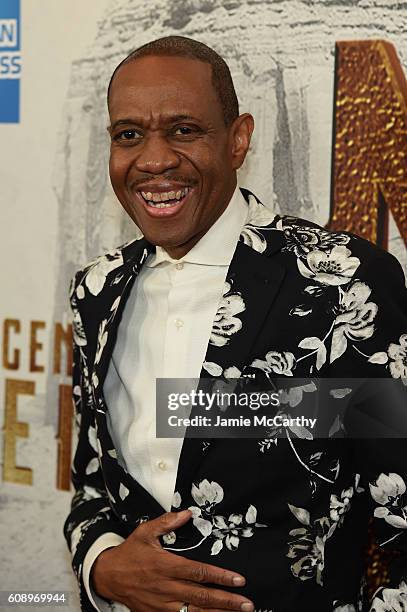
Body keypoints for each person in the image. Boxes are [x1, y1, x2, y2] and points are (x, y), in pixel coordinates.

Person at [64, 35, 407, 612]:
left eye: (183, 129)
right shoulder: (97, 290)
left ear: (239, 138)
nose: (153, 160)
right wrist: (102, 565)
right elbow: (93, 485)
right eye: (129, 135)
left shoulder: (341, 283)